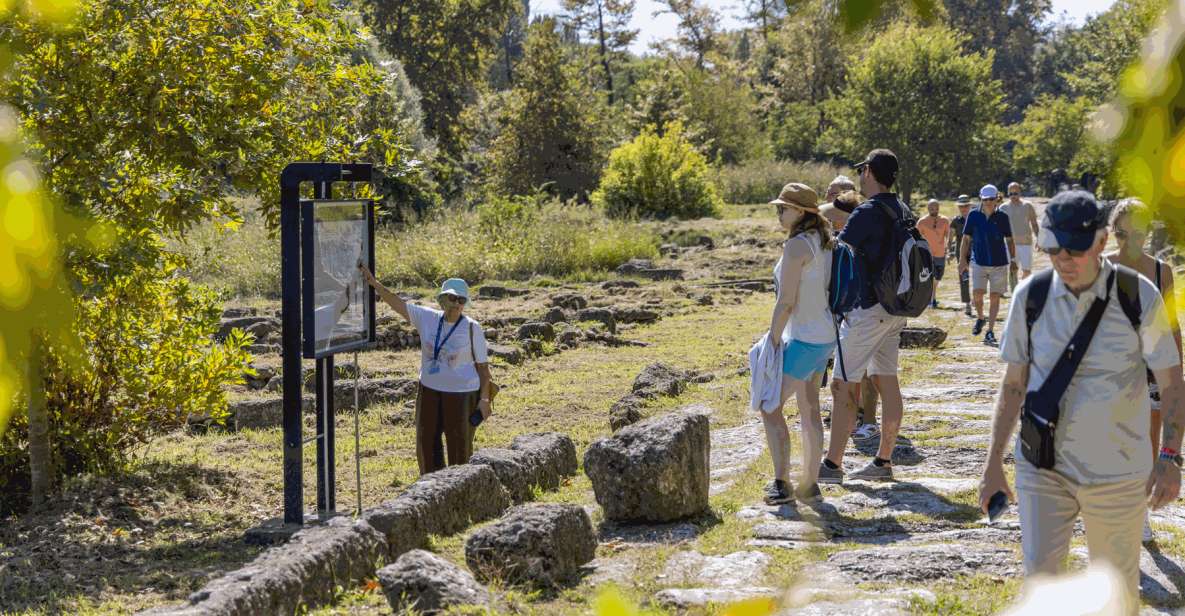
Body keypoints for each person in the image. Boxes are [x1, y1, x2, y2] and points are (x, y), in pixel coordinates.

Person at [979, 191, 1183, 610]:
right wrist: (993, 463)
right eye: (1053, 249)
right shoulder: (1029, 296)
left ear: (1102, 240)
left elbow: (1173, 381)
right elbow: (1013, 384)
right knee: (1041, 584)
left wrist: (1169, 456)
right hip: (1043, 468)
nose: (1063, 259)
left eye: (1074, 248)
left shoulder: (1139, 296)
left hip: (1118, 473)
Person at [819, 149, 909, 483]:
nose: (860, 175)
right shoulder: (903, 208)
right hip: (896, 310)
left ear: (869, 171)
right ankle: (883, 462)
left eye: (862, 170)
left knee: (843, 385)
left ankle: (831, 465)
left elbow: (836, 253)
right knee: (888, 382)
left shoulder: (867, 212)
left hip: (867, 310)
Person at [359, 269, 494, 475]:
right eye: (453, 298)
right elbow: (398, 304)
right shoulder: (427, 318)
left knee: (459, 448)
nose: (457, 304)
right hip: (429, 390)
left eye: (462, 300)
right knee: (426, 443)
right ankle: (432, 488)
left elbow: (484, 370)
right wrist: (374, 283)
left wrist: (484, 401)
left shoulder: (472, 327)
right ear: (442, 299)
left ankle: (461, 489)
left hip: (462, 394)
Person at [1106, 198, 1184, 542]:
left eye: (1137, 231)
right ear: (1114, 231)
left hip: (1152, 365)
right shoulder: (1102, 266)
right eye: (1122, 232)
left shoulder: (1160, 270)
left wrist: (1177, 370)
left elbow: (1171, 324)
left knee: (1149, 440)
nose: (1129, 239)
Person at [760, 183, 835, 504]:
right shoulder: (824, 241)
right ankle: (810, 483)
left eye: (784, 208)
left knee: (770, 406)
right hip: (824, 336)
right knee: (809, 410)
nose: (778, 212)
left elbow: (786, 301)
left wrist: (772, 342)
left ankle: (781, 483)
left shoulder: (796, 248)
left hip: (803, 339)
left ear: (801, 213)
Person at [959, 184, 1015, 347]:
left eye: (991, 199)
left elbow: (1010, 240)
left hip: (999, 263)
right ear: (981, 199)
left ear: (996, 198)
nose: (989, 202)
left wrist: (1014, 260)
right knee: (977, 294)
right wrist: (963, 260)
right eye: (985, 199)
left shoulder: (1003, 217)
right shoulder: (973, 215)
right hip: (979, 262)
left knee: (994, 297)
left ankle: (990, 330)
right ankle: (981, 317)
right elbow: (966, 239)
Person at [1000, 182, 1040, 289]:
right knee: (1012, 270)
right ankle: (1015, 292)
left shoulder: (1028, 205)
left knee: (1027, 271)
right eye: (1011, 193)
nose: (1013, 196)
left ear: (1020, 193)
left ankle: (1023, 289)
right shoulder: (1003, 208)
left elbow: (1034, 224)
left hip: (1026, 243)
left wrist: (1039, 239)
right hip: (1010, 244)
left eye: (1016, 193)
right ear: (1008, 193)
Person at [918, 198, 951, 308]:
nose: (934, 209)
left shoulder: (945, 220)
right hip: (927, 254)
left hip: (940, 254)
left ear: (938, 208)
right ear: (928, 208)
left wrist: (948, 248)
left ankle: (932, 298)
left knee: (938, 278)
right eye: (931, 208)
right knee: (929, 278)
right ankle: (932, 299)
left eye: (936, 207)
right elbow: (916, 237)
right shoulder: (922, 222)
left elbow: (948, 235)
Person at [950, 195, 974, 317]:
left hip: (975, 251)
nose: (964, 208)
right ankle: (967, 304)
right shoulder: (956, 221)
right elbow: (951, 237)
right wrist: (949, 251)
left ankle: (976, 296)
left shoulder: (976, 218)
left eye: (966, 206)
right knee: (964, 278)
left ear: (969, 206)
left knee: (977, 277)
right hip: (961, 253)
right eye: (961, 206)